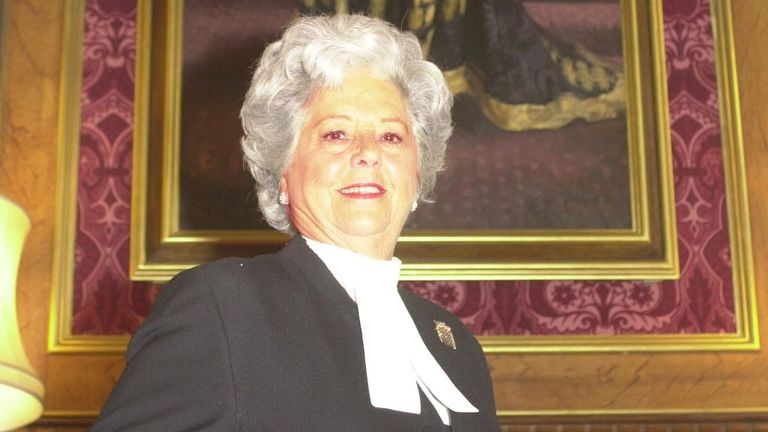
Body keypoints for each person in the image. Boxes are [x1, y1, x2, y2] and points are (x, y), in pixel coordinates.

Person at [93, 14, 499, 431]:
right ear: (283, 171)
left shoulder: (455, 346)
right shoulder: (225, 307)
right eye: (336, 134)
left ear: (417, 175)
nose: (368, 153)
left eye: (391, 137)